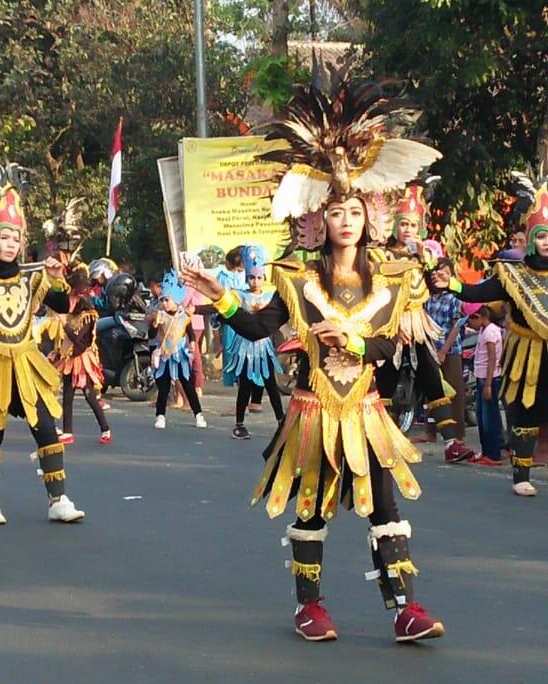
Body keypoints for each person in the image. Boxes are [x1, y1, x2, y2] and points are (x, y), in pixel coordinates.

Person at [183, 75, 445, 644]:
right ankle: (309, 608)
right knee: (313, 509)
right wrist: (217, 293)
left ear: (368, 215)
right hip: (312, 413)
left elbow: (384, 346)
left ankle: (404, 607)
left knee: (384, 504)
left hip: (367, 414)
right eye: (335, 212)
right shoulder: (296, 279)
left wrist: (350, 343)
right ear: (319, 220)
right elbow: (257, 327)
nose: (346, 220)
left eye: (353, 210)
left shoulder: (394, 278)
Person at [0, 163, 84, 526]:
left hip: (26, 365)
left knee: (46, 429)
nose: (11, 245)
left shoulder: (31, 277)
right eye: (5, 237)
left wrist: (60, 275)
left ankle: (58, 498)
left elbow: (65, 303)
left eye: (16, 238)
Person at [432, 169, 548, 496]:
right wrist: (451, 284)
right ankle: (521, 476)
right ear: (531, 237)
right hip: (526, 356)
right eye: (541, 235)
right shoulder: (513, 274)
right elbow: (477, 294)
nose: (546, 242)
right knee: (525, 413)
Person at [380, 184, 473, 462]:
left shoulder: (425, 256)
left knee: (432, 378)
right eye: (403, 223)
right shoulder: (380, 255)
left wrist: (425, 258)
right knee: (385, 381)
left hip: (419, 324)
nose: (407, 229)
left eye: (413, 224)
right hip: (389, 326)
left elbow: (437, 282)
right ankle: (381, 436)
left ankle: (452, 443)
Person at [223, 245, 284, 439]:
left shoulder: (272, 296)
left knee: (271, 384)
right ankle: (239, 424)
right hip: (244, 349)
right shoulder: (238, 295)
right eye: (251, 277)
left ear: (264, 278)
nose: (255, 281)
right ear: (246, 277)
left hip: (264, 347)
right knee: (245, 386)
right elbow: (227, 312)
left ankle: (282, 421)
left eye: (259, 277)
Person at [54, 266, 111, 445]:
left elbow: (77, 339)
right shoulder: (71, 312)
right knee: (67, 396)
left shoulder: (88, 315)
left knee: (89, 395)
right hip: (70, 358)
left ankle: (105, 429)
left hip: (82, 358)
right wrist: (57, 353)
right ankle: (67, 432)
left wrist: (64, 323)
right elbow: (65, 341)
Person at [149, 270, 206, 430]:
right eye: (163, 300)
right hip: (165, 355)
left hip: (180, 355)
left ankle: (198, 414)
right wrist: (154, 326)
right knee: (164, 386)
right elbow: (151, 335)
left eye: (167, 300)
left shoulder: (184, 315)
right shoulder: (159, 315)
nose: (164, 303)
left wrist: (193, 343)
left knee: (187, 384)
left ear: (176, 299)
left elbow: (190, 331)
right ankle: (160, 416)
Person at [423, 257, 467, 446]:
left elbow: (456, 326)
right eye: (436, 272)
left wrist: (443, 351)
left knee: (454, 392)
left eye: (445, 273)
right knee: (432, 391)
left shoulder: (453, 298)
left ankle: (457, 436)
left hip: (450, 351)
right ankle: (430, 432)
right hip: (430, 349)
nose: (439, 276)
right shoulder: (428, 297)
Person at [466, 304, 503, 466]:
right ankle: (486, 451)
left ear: (479, 317)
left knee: (490, 419)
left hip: (489, 379)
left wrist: (488, 384)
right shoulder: (483, 330)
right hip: (482, 378)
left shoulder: (490, 332)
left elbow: (492, 359)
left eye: (470, 320)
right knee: (482, 417)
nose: (470, 325)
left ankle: (494, 454)